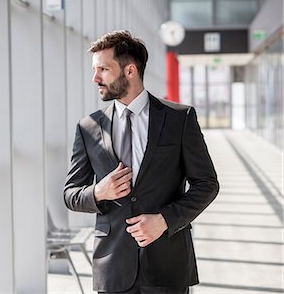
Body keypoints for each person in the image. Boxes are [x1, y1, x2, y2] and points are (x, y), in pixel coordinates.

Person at [63, 30, 219, 294]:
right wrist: (99, 192)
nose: (95, 78)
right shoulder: (88, 127)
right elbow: (70, 194)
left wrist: (165, 220)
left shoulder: (179, 119)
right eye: (94, 69)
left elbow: (207, 184)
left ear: (130, 71)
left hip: (167, 264)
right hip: (113, 266)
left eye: (103, 69)